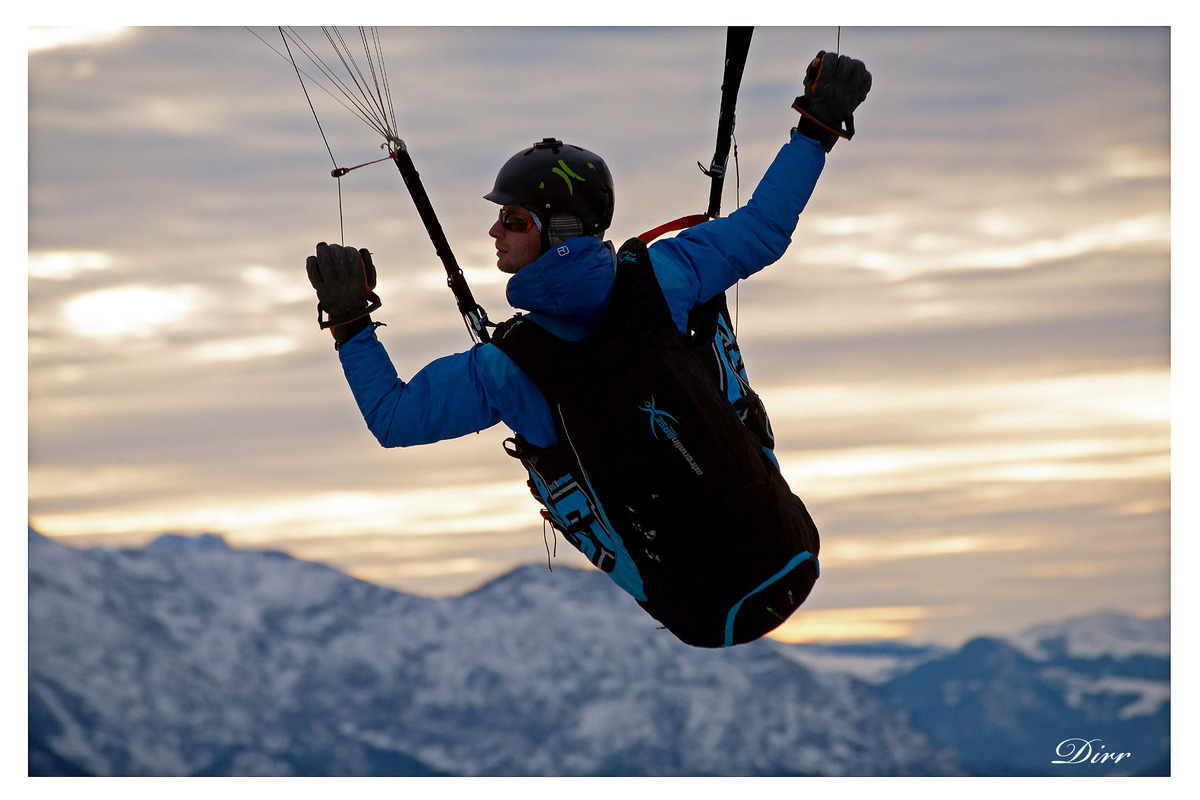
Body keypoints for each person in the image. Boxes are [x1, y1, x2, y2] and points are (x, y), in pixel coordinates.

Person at [306, 52, 871, 647]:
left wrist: (350, 323)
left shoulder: (510, 371)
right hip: (788, 547)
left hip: (700, 611)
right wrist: (817, 128)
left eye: (515, 220)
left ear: (561, 231)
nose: (495, 231)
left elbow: (394, 419)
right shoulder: (666, 274)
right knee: (701, 317)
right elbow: (764, 227)